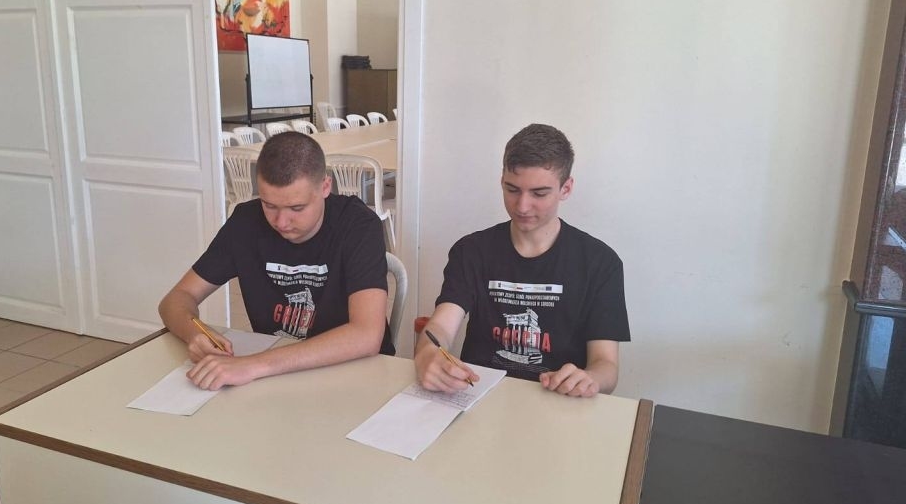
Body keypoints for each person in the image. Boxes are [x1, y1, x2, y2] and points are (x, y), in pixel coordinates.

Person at [159, 131, 392, 390]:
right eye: (269, 205)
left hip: (354, 374)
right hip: (279, 376)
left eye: (297, 208)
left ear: (325, 187)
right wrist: (194, 333)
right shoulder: (245, 224)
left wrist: (254, 365)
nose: (281, 222)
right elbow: (176, 299)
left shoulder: (358, 225)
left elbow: (366, 335)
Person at [415, 124, 629, 398]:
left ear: (566, 188)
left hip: (559, 400)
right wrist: (428, 353)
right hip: (480, 395)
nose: (522, 206)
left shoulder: (600, 263)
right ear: (501, 181)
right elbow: (441, 327)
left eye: (539, 193)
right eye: (512, 189)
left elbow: (606, 365)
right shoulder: (471, 251)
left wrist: (590, 379)